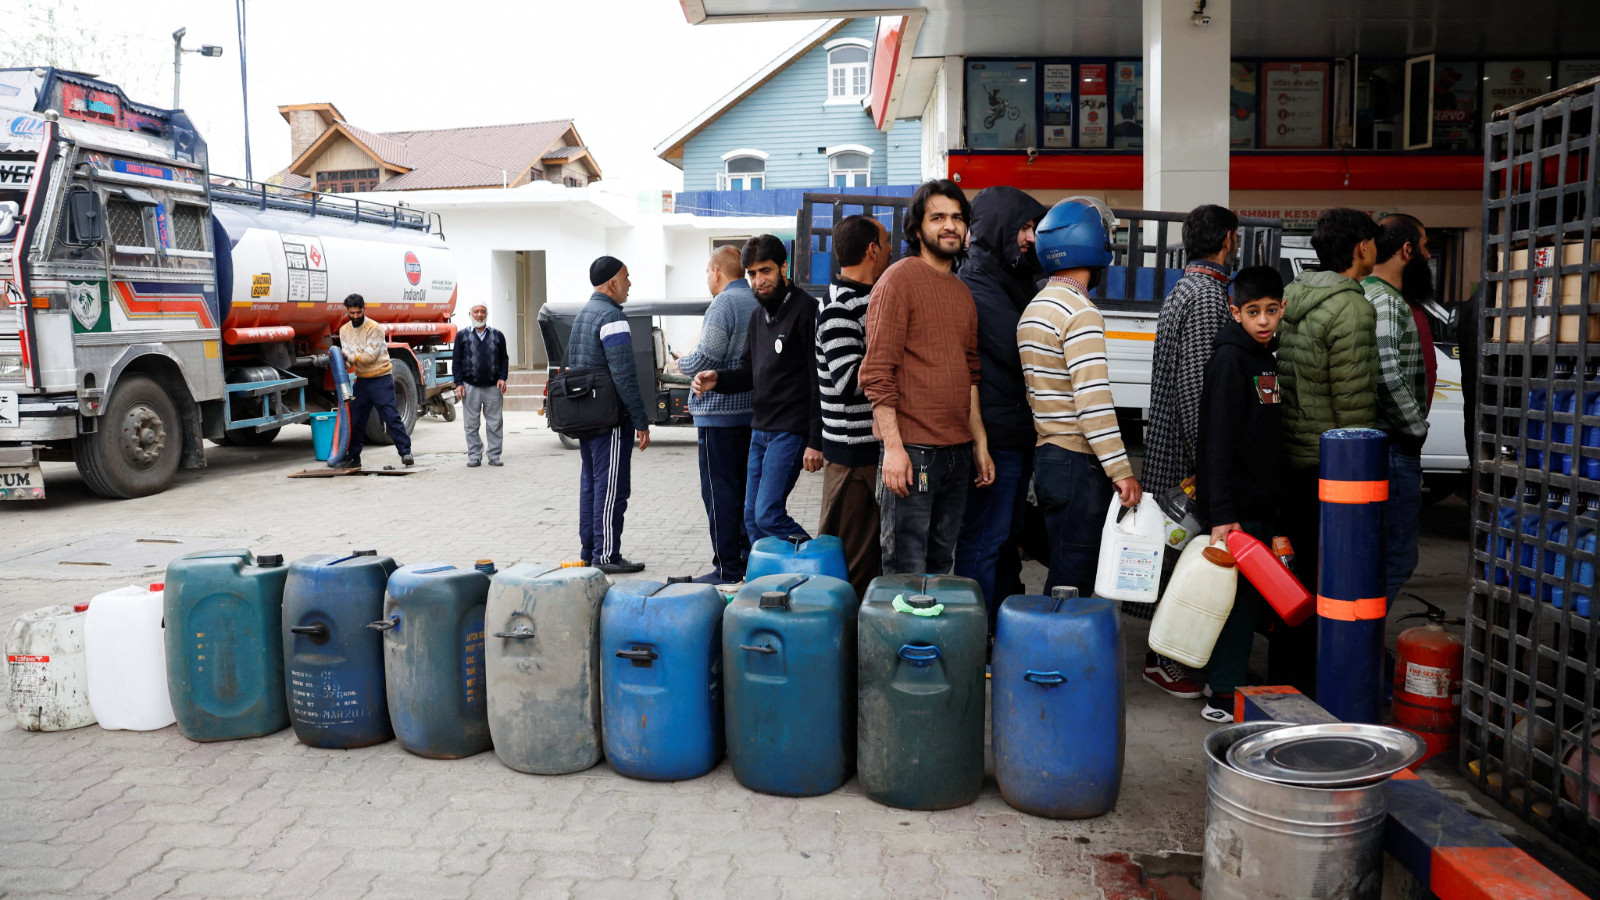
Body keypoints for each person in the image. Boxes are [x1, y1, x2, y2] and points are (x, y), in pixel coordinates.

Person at [860, 180, 993, 576]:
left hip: (956, 454)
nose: (950, 226)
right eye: (938, 218)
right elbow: (877, 372)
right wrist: (895, 449)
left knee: (940, 568)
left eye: (957, 218)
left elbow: (970, 373)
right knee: (905, 569)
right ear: (918, 229)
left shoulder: (962, 292)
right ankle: (900, 641)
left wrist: (979, 443)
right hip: (912, 453)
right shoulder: (897, 280)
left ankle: (930, 640)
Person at [1136, 203, 1240, 700]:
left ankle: (1166, 653)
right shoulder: (1206, 296)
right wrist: (1210, 464)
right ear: (1228, 240)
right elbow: (1196, 388)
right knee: (1182, 558)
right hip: (1185, 456)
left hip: (1170, 446)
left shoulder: (1186, 287)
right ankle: (1165, 660)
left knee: (1173, 554)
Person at [1276, 208, 1380, 696]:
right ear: (1361, 248)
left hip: (1290, 458)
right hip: (1331, 472)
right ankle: (1321, 682)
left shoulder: (1290, 298)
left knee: (1291, 577)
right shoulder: (1353, 309)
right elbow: (1354, 408)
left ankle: (1286, 677)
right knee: (1331, 580)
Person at [1018, 196, 1141, 594]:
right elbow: (1093, 403)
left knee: (1061, 563)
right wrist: (1121, 470)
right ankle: (1055, 653)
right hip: (1076, 462)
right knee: (1075, 579)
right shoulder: (1080, 313)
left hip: (1047, 457)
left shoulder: (1034, 308)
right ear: (1093, 243)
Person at [1194, 266, 1288, 724]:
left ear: (1283, 308)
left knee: (1248, 602)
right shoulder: (1232, 360)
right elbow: (1218, 441)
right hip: (1236, 510)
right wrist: (1223, 512)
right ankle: (1222, 694)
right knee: (1233, 604)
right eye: (1253, 312)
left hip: (1259, 501)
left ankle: (1225, 679)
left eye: (1272, 310)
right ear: (1235, 312)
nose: (1264, 320)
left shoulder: (1267, 356)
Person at [953, 185, 1048, 632]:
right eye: (1025, 227)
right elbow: (1021, 348)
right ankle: (976, 637)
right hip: (994, 436)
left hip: (1012, 431)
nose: (1031, 238)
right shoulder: (976, 282)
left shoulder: (1009, 278)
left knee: (1003, 537)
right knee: (985, 539)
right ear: (999, 229)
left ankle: (999, 629)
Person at [691, 235, 822, 546]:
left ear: (783, 267)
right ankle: (777, 581)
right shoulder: (756, 316)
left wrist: (815, 441)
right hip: (760, 430)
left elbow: (819, 380)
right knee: (751, 517)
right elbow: (749, 373)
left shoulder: (807, 310)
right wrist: (717, 380)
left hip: (790, 430)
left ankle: (819, 564)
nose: (759, 281)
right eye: (752, 273)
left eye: (765, 271)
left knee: (767, 515)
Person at [816, 214, 892, 599]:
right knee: (855, 565)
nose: (893, 251)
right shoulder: (838, 307)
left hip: (866, 454)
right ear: (873, 250)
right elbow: (848, 384)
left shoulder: (868, 298)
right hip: (853, 458)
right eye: (888, 243)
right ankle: (849, 649)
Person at [677, 247, 759, 583]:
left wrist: (680, 362)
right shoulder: (756, 300)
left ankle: (726, 570)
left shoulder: (722, 304)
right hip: (751, 416)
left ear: (716, 272)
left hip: (719, 417)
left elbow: (705, 357)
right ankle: (747, 562)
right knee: (744, 495)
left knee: (720, 495)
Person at [1364, 214, 1432, 605]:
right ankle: (1364, 650)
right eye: (1424, 247)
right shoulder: (1388, 302)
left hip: (1376, 446)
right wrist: (1415, 428)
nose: (1426, 255)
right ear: (1407, 251)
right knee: (1396, 559)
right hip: (1392, 447)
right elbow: (1389, 375)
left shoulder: (1363, 292)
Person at [568, 256, 651, 575]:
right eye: (626, 278)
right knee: (611, 487)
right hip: (610, 419)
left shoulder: (584, 314)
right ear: (612, 284)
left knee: (591, 485)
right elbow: (624, 375)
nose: (629, 284)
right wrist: (640, 420)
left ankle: (590, 551)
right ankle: (605, 555)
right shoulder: (612, 317)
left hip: (586, 417)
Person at [331, 294, 413, 469]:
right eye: (351, 313)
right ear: (347, 311)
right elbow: (347, 358)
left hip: (381, 379)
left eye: (358, 312)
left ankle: (405, 452)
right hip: (362, 381)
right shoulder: (344, 330)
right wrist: (339, 360)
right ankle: (354, 458)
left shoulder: (374, 328)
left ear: (364, 309)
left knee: (390, 416)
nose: (354, 317)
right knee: (356, 420)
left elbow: (369, 357)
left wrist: (347, 357)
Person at [452, 303, 509, 467]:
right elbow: (456, 361)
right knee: (471, 424)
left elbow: (504, 359)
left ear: (487, 314)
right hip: (470, 387)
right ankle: (475, 455)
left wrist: (503, 378)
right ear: (470, 313)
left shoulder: (498, 335)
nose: (479, 315)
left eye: (482, 312)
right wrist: (458, 383)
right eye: (476, 311)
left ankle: (494, 455)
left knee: (495, 423)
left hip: (493, 387)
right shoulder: (462, 336)